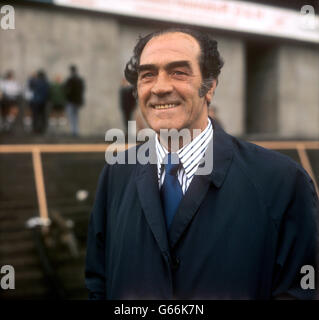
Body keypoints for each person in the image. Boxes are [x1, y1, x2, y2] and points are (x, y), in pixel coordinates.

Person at [85, 28, 318, 300]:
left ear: (210, 86)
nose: (160, 87)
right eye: (147, 74)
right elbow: (98, 283)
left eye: (178, 72)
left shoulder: (282, 182)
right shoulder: (116, 175)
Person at [64, 65, 85, 136]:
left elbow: (66, 90)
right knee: (75, 116)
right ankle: (75, 131)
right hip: (76, 101)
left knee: (72, 116)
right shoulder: (79, 80)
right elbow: (82, 91)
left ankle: (73, 131)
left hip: (71, 101)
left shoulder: (70, 80)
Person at [30, 70, 50, 134]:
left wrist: (33, 77)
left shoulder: (35, 81)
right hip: (43, 102)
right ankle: (42, 129)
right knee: (43, 116)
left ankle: (35, 129)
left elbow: (30, 86)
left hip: (35, 101)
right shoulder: (46, 82)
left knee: (35, 116)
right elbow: (48, 92)